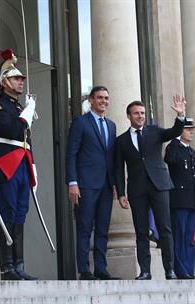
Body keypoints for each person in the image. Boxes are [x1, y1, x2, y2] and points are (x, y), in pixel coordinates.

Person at [115, 97, 186, 280]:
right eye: (137, 113)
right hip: (137, 189)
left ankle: (169, 270)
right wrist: (121, 193)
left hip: (159, 185)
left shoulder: (154, 131)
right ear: (129, 116)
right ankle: (145, 271)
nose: (140, 116)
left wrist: (180, 115)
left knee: (165, 228)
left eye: (143, 113)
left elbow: (174, 131)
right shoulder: (121, 140)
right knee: (141, 231)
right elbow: (117, 168)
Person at [0, 49, 38, 280]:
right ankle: (7, 267)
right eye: (16, 78)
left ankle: (19, 264)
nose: (20, 82)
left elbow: (27, 140)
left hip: (22, 164)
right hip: (5, 163)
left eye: (21, 79)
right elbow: (11, 130)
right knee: (6, 214)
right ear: (4, 81)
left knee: (20, 215)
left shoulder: (18, 108)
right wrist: (26, 114)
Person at [66, 86, 118, 280]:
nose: (103, 101)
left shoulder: (111, 125)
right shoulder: (81, 122)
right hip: (85, 184)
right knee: (85, 227)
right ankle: (84, 270)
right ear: (91, 100)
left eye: (106, 98)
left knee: (103, 228)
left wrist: (114, 185)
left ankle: (101, 269)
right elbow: (71, 153)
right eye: (99, 98)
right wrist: (72, 182)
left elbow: (111, 157)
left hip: (105, 185)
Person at [164, 118, 195, 280]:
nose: (191, 131)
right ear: (180, 131)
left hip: (191, 199)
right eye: (187, 129)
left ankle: (189, 270)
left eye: (191, 128)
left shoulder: (191, 151)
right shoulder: (174, 147)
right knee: (179, 235)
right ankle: (180, 270)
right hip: (179, 199)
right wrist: (175, 138)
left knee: (189, 237)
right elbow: (169, 160)